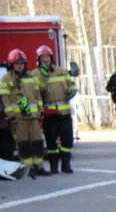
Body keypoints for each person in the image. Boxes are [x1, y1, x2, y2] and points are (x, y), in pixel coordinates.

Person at [1, 50, 48, 177]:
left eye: (22, 63)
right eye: (17, 63)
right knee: (24, 143)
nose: (20, 65)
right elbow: (5, 97)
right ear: (12, 64)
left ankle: (39, 166)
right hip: (19, 118)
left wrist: (40, 110)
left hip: (33, 117)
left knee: (37, 142)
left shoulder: (30, 76)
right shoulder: (7, 78)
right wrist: (11, 114)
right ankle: (28, 168)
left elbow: (37, 95)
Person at [33, 45, 77, 174]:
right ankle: (54, 166)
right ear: (39, 59)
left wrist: (72, 91)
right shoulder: (35, 74)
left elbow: (71, 84)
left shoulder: (61, 71)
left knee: (68, 139)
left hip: (64, 112)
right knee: (51, 141)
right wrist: (44, 75)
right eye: (43, 57)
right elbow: (37, 91)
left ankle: (66, 164)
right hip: (49, 113)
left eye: (48, 56)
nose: (46, 59)